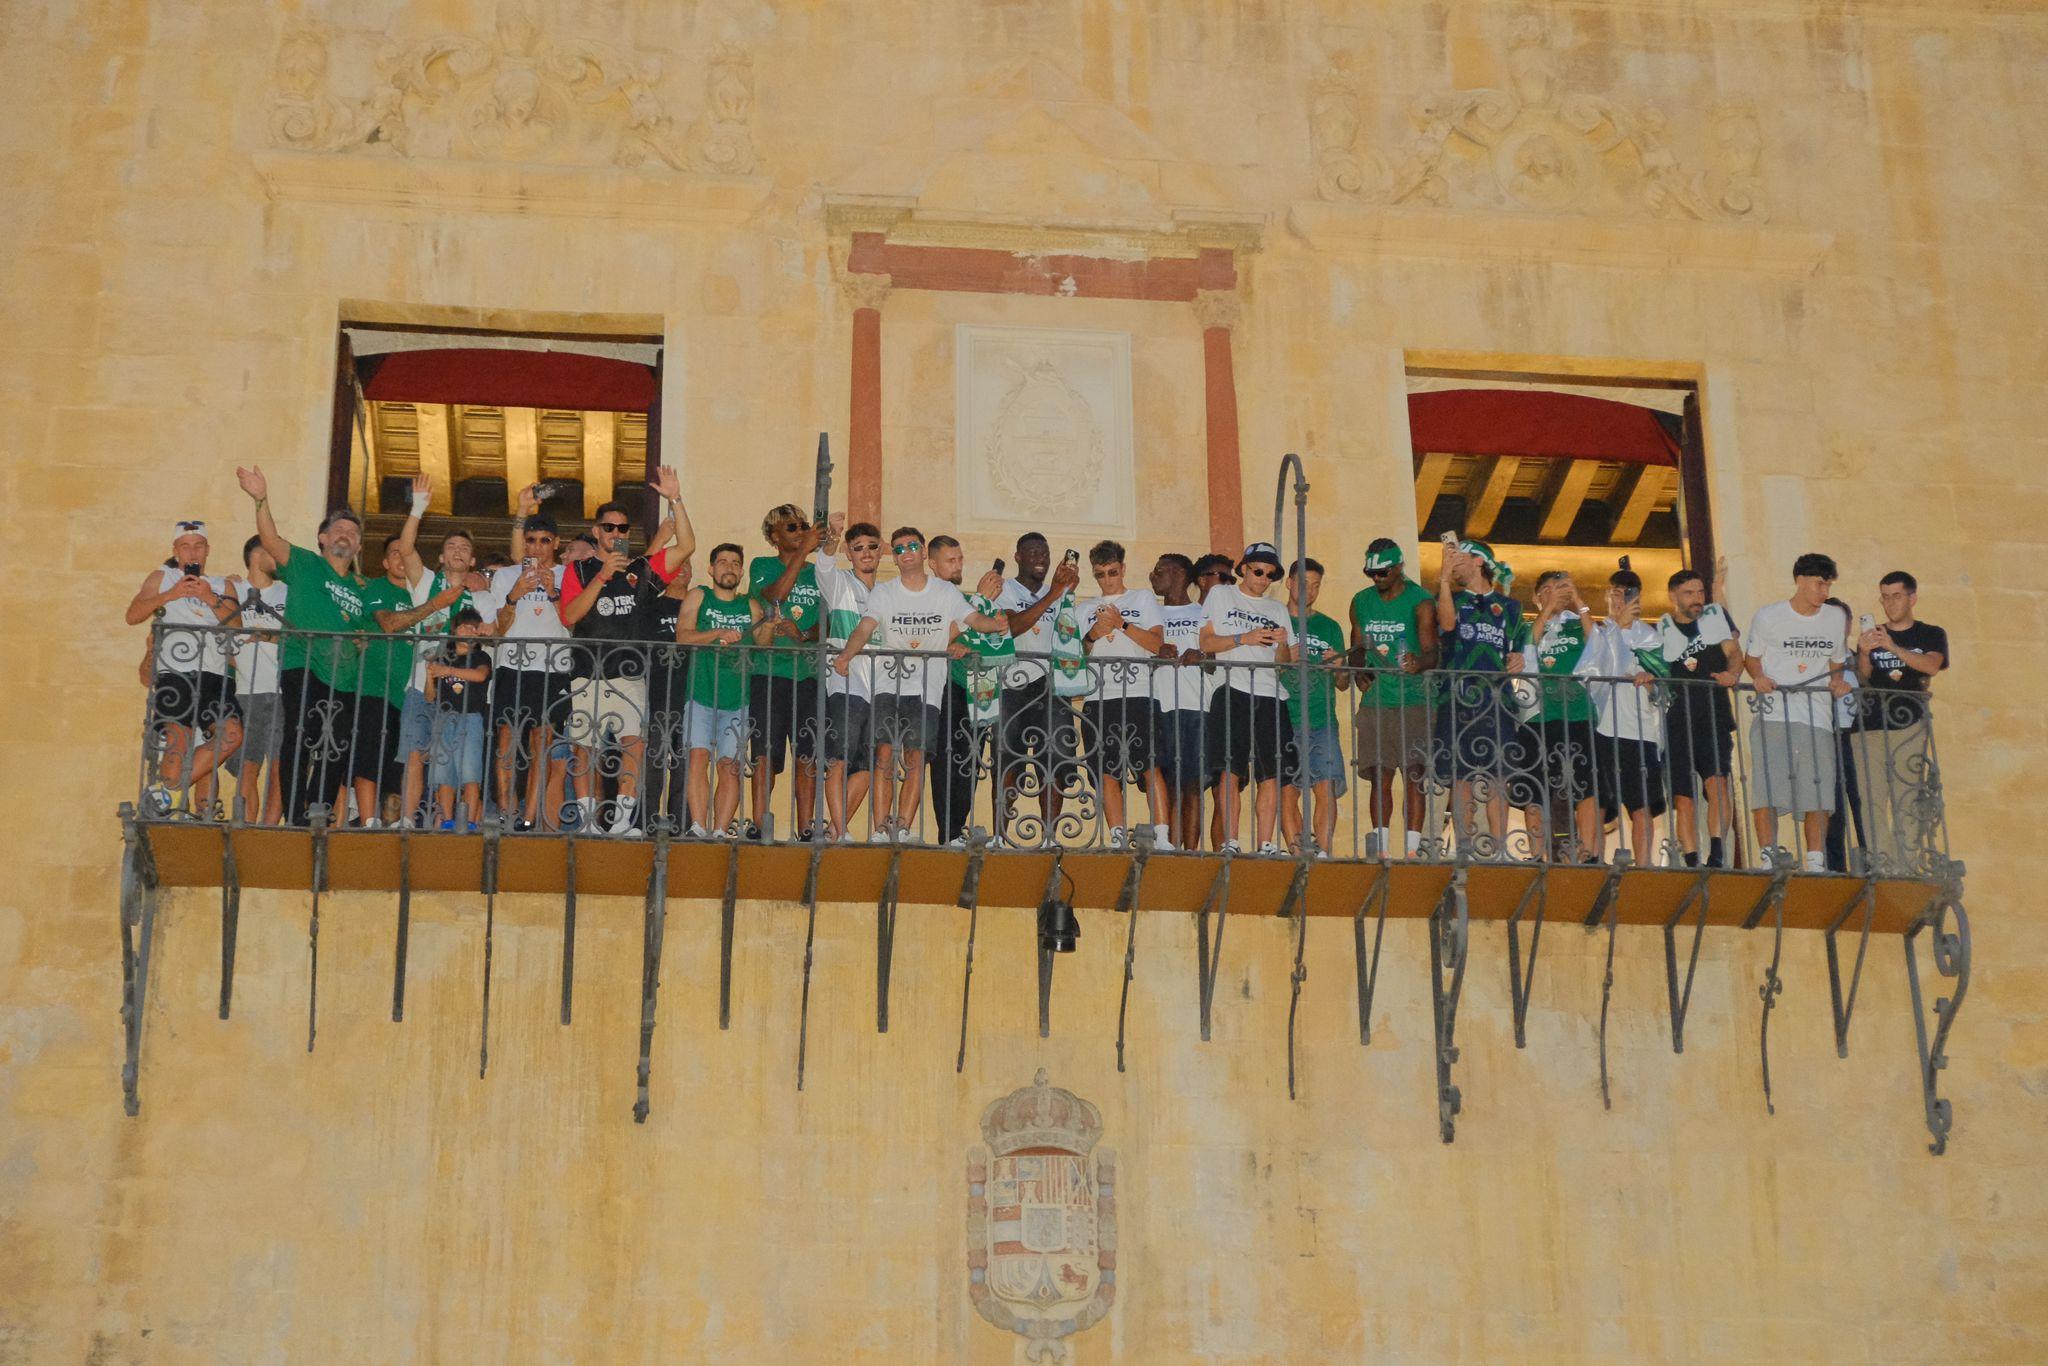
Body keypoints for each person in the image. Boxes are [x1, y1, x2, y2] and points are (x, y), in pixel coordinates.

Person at [835, 527, 1007, 842]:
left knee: (916, 757)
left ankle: (902, 825)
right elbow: (865, 626)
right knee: (884, 754)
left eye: (912, 546)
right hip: (887, 682)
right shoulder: (884, 592)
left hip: (927, 685)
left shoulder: (945, 592)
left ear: (923, 551)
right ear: (894, 556)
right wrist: (847, 654)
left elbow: (972, 619)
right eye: (899, 549)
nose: (906, 552)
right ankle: (880, 829)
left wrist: (994, 625)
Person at [235, 468, 382, 825]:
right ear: (322, 537)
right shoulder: (304, 563)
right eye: (339, 530)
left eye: (353, 532)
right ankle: (297, 812)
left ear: (359, 546)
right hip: (302, 661)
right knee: (301, 733)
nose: (346, 535)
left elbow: (367, 631)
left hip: (344, 675)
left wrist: (360, 640)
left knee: (338, 742)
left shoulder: (363, 589)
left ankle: (319, 808)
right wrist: (260, 497)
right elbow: (269, 539)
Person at [559, 471, 690, 835]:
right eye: (609, 527)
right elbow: (569, 615)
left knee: (634, 745)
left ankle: (621, 821)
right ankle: (587, 820)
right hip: (587, 671)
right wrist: (602, 577)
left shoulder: (640, 570)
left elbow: (686, 547)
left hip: (628, 674)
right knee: (584, 748)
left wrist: (676, 499)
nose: (617, 534)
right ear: (597, 531)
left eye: (623, 528)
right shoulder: (579, 569)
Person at [385, 476, 496, 827]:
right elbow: (405, 549)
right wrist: (417, 508)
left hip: (462, 694)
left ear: (473, 559)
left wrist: (487, 610)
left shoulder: (481, 596)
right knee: (417, 752)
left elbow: (493, 634)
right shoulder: (426, 582)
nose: (458, 550)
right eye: (451, 546)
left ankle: (449, 822)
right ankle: (407, 820)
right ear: (441, 555)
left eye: (464, 547)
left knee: (457, 761)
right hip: (423, 684)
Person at [126, 518, 245, 816]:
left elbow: (237, 626)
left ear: (207, 551)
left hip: (215, 675)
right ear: (176, 551)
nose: (192, 554)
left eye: (198, 547)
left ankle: (164, 793)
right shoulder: (161, 576)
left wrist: (208, 597)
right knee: (178, 743)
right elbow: (133, 615)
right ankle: (168, 808)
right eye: (185, 547)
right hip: (175, 672)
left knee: (231, 734)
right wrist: (171, 594)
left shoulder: (222, 585)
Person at [1742, 553, 1853, 872]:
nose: (1825, 592)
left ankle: (1815, 861)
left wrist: (1837, 681)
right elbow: (1753, 658)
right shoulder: (1769, 616)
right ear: (1801, 580)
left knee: (1818, 790)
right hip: (1774, 714)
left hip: (1817, 718)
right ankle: (1767, 857)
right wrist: (1759, 678)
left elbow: (1837, 660)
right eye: (1820, 584)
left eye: (1828, 584)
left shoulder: (1834, 618)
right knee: (1767, 786)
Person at [356, 533, 467, 827]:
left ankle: (394, 822)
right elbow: (390, 624)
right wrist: (435, 604)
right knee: (370, 756)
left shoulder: (418, 590)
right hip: (377, 687)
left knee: (398, 762)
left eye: (403, 553)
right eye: (394, 553)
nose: (401, 559)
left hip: (404, 690)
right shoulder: (378, 587)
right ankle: (368, 821)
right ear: (383, 562)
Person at [1198, 541, 1298, 853]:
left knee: (1272, 771)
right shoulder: (1221, 594)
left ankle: (1266, 842)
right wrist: (1246, 638)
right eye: (1258, 571)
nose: (1263, 579)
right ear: (1243, 569)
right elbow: (1206, 643)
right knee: (1230, 768)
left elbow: (1284, 663)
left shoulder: (1278, 609)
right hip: (1233, 689)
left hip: (1271, 694)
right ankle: (1230, 840)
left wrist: (1281, 643)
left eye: (1270, 575)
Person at [1433, 540, 1528, 855]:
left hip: (1498, 700)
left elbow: (1520, 645)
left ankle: (1499, 848)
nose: (1452, 563)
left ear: (1477, 561)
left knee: (1498, 776)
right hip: (1456, 698)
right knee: (1460, 776)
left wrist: (1519, 658)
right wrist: (1444, 580)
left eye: (1457, 559)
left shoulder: (1510, 606)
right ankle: (1463, 845)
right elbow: (1446, 625)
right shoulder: (1452, 598)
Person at [1851, 570, 1950, 872]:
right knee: (1871, 799)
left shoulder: (1930, 633)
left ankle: (1905, 865)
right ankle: (1883, 866)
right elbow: (1863, 678)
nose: (1889, 603)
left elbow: (1931, 666)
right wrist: (1865, 652)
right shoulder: (1874, 633)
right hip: (1869, 724)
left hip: (1908, 724)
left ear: (1912, 598)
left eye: (1896, 596)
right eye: (1885, 597)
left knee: (1907, 795)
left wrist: (1892, 647)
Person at [1074, 541, 1168, 849]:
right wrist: (1092, 635)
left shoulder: (1142, 598)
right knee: (1105, 770)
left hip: (1139, 690)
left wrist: (1121, 624)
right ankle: (1116, 836)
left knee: (1150, 764)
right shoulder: (1084, 608)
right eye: (1100, 575)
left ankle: (1163, 835)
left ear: (1123, 569)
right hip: (1099, 696)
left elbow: (1157, 645)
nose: (1107, 580)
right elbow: (1075, 657)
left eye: (1112, 572)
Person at [675, 543, 773, 837]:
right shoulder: (699, 595)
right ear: (711, 568)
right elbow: (683, 636)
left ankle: (719, 830)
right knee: (698, 759)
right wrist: (717, 633)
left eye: (734, 563)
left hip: (738, 698)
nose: (728, 567)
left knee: (730, 767)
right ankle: (698, 826)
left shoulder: (750, 605)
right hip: (700, 692)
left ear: (741, 571)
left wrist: (771, 625)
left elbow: (764, 643)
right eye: (722, 562)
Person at [1349, 538, 1437, 859]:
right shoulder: (1360, 601)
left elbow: (1432, 653)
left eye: (1383, 573)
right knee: (1380, 775)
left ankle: (1412, 849)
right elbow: (1356, 648)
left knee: (1414, 774)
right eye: (1371, 573)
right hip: (1376, 702)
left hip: (1414, 699)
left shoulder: (1421, 601)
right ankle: (1382, 848)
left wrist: (1419, 662)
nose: (1377, 579)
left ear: (1399, 567)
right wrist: (1359, 674)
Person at [994, 533, 1084, 846]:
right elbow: (1010, 627)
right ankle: (1000, 835)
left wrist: (1065, 596)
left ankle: (1048, 836)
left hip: (1052, 684)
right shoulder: (1003, 589)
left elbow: (1071, 637)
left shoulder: (1059, 593)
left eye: (1045, 552)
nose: (1040, 558)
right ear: (1017, 556)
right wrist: (1054, 594)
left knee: (1056, 757)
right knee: (1008, 757)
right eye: (1032, 551)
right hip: (1012, 683)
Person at [489, 512, 576, 831]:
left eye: (544, 541)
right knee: (507, 740)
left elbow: (575, 624)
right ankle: (506, 812)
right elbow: (499, 630)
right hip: (513, 664)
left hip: (554, 669)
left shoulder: (569, 575)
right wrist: (514, 595)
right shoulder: (505, 576)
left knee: (543, 741)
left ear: (556, 543)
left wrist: (555, 593)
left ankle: (529, 817)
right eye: (530, 540)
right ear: (523, 542)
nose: (537, 548)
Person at [1579, 563, 1669, 866]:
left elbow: (1664, 686)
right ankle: (1593, 857)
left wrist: (1650, 680)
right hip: (1604, 727)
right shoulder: (1601, 633)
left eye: (1627, 594)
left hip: (1640, 729)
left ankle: (1644, 864)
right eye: (1616, 593)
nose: (1621, 599)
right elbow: (1593, 671)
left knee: (1641, 804)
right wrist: (1616, 628)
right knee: (1601, 798)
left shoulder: (1651, 638)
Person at [1656, 563, 1742, 867]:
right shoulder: (1661, 629)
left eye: (1700, 592)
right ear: (1673, 596)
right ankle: (1692, 860)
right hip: (1677, 721)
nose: (1697, 598)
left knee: (1717, 784)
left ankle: (1717, 853)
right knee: (1683, 799)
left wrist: (1732, 674)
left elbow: (1734, 653)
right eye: (1689, 593)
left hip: (1714, 714)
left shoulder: (1714, 619)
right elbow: (1651, 666)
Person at [749, 503, 826, 840]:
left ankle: (806, 827)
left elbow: (830, 623)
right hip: (768, 673)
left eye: (803, 526)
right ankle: (759, 821)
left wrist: (804, 634)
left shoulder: (819, 572)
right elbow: (775, 598)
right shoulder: (762, 565)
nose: (801, 531)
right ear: (774, 537)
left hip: (808, 674)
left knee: (807, 754)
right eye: (792, 528)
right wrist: (803, 552)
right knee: (765, 752)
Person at [929, 535, 1007, 847]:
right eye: (950, 560)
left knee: (971, 761)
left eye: (960, 558)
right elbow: (944, 636)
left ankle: (957, 828)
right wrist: (980, 601)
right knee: (949, 759)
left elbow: (978, 632)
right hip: (947, 685)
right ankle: (948, 833)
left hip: (977, 687)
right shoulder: (932, 594)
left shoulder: (960, 597)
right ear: (933, 564)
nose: (958, 565)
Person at [814, 515, 881, 840]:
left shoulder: (887, 594)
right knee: (838, 761)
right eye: (857, 548)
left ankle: (834, 831)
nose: (865, 553)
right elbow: (824, 565)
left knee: (867, 770)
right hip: (845, 685)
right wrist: (832, 537)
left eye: (871, 547)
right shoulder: (840, 585)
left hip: (880, 690)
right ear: (850, 555)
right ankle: (840, 831)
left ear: (880, 552)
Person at [1523, 571, 1598, 860]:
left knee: (1586, 783)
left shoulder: (1578, 625)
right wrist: (1546, 611)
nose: (1555, 594)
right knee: (1534, 784)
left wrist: (1579, 602)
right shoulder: (1529, 626)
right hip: (1538, 715)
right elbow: (1526, 646)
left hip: (1578, 713)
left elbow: (1598, 647)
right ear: (1536, 597)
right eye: (1548, 590)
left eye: (1560, 589)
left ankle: (1588, 851)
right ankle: (1536, 854)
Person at [1279, 558, 1347, 858]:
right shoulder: (1274, 621)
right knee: (1286, 792)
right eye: (1304, 583)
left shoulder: (1330, 626)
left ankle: (1323, 853)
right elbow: (1255, 673)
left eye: (1316, 585)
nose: (1310, 590)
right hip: (1282, 717)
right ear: (1290, 583)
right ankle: (1298, 855)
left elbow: (1344, 684)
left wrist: (1340, 667)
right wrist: (1282, 660)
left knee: (1326, 788)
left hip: (1322, 720)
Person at [224, 534, 289, 825]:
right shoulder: (232, 588)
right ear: (255, 554)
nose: (279, 554)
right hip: (244, 689)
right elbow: (221, 632)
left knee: (278, 765)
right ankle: (247, 827)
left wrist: (263, 635)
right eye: (271, 549)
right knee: (247, 766)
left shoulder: (289, 592)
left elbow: (297, 636)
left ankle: (269, 828)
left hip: (282, 689)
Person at [1149, 553, 1206, 853]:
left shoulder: (1203, 613)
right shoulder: (1151, 614)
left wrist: (1203, 656)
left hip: (1197, 705)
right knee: (1169, 780)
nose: (1152, 575)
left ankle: (1191, 850)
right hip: (1160, 705)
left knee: (1194, 783)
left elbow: (1217, 654)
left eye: (1159, 570)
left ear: (1180, 573)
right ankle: (1170, 845)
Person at [424, 608, 492, 831]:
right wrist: (430, 675)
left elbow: (480, 675)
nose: (467, 630)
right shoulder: (444, 656)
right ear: (454, 629)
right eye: (463, 626)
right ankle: (444, 820)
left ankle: (470, 821)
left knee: (470, 772)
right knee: (444, 774)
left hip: (470, 717)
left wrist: (447, 670)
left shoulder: (481, 657)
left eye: (473, 627)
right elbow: (430, 696)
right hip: (444, 718)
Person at [1190, 552, 1239, 850]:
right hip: (1193, 709)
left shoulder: (1233, 616)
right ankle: (1187, 855)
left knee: (1226, 784)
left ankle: (1224, 853)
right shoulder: (1187, 615)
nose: (1229, 584)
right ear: (1202, 580)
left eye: (1232, 579)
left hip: (1226, 707)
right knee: (1192, 785)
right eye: (1223, 578)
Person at [643, 558, 696, 833]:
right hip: (657, 692)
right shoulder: (652, 606)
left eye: (688, 565)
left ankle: (681, 825)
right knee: (653, 762)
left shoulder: (698, 605)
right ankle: (646, 822)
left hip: (692, 694)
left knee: (685, 767)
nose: (683, 570)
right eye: (678, 565)